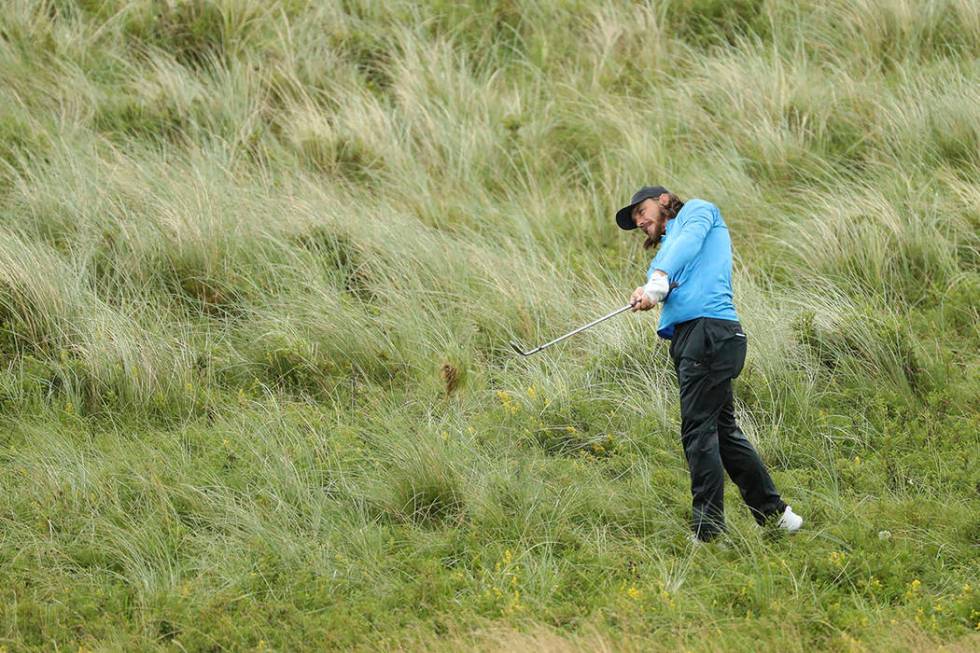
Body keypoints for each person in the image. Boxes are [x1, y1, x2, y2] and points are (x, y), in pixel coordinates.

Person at [616, 186, 803, 542]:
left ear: (665, 200)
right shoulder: (669, 249)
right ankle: (777, 517)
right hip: (698, 338)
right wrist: (652, 290)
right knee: (723, 432)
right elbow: (671, 266)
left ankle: (708, 531)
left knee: (698, 431)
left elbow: (685, 245)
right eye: (636, 219)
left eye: (642, 210)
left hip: (709, 333)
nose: (640, 221)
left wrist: (656, 281)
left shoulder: (700, 212)